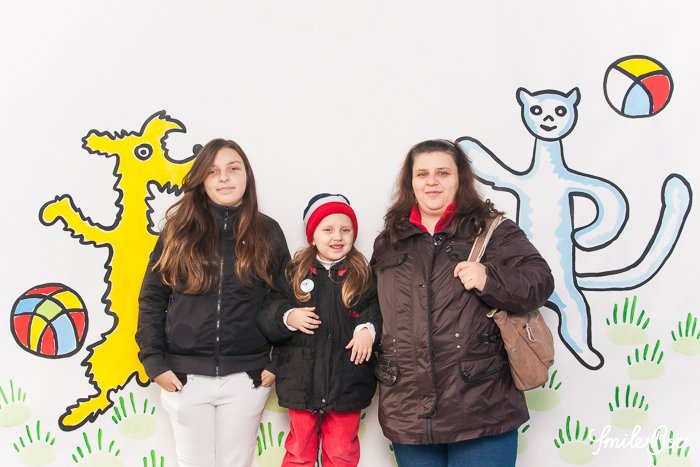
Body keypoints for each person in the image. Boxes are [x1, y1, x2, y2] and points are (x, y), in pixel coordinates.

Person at [372, 139, 555, 466]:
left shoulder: (492, 230)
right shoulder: (389, 241)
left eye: (442, 173)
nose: (432, 181)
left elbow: (540, 282)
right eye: (422, 174)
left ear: (460, 179)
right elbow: (374, 309)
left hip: (482, 406)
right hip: (408, 410)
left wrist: (489, 278)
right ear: (410, 182)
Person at [136, 138, 290, 467]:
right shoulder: (178, 231)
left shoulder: (268, 231)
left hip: (247, 377)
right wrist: (154, 362)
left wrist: (276, 364)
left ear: (246, 175)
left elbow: (285, 300)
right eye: (213, 171)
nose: (224, 178)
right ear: (202, 179)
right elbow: (152, 298)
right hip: (184, 378)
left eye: (233, 168)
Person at [256, 193, 381, 467]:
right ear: (312, 236)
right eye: (328, 230)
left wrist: (367, 330)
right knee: (299, 452)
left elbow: (374, 309)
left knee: (341, 452)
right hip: (301, 381)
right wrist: (289, 316)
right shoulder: (293, 272)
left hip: (347, 381)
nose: (337, 236)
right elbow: (269, 309)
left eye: (345, 230)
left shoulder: (362, 274)